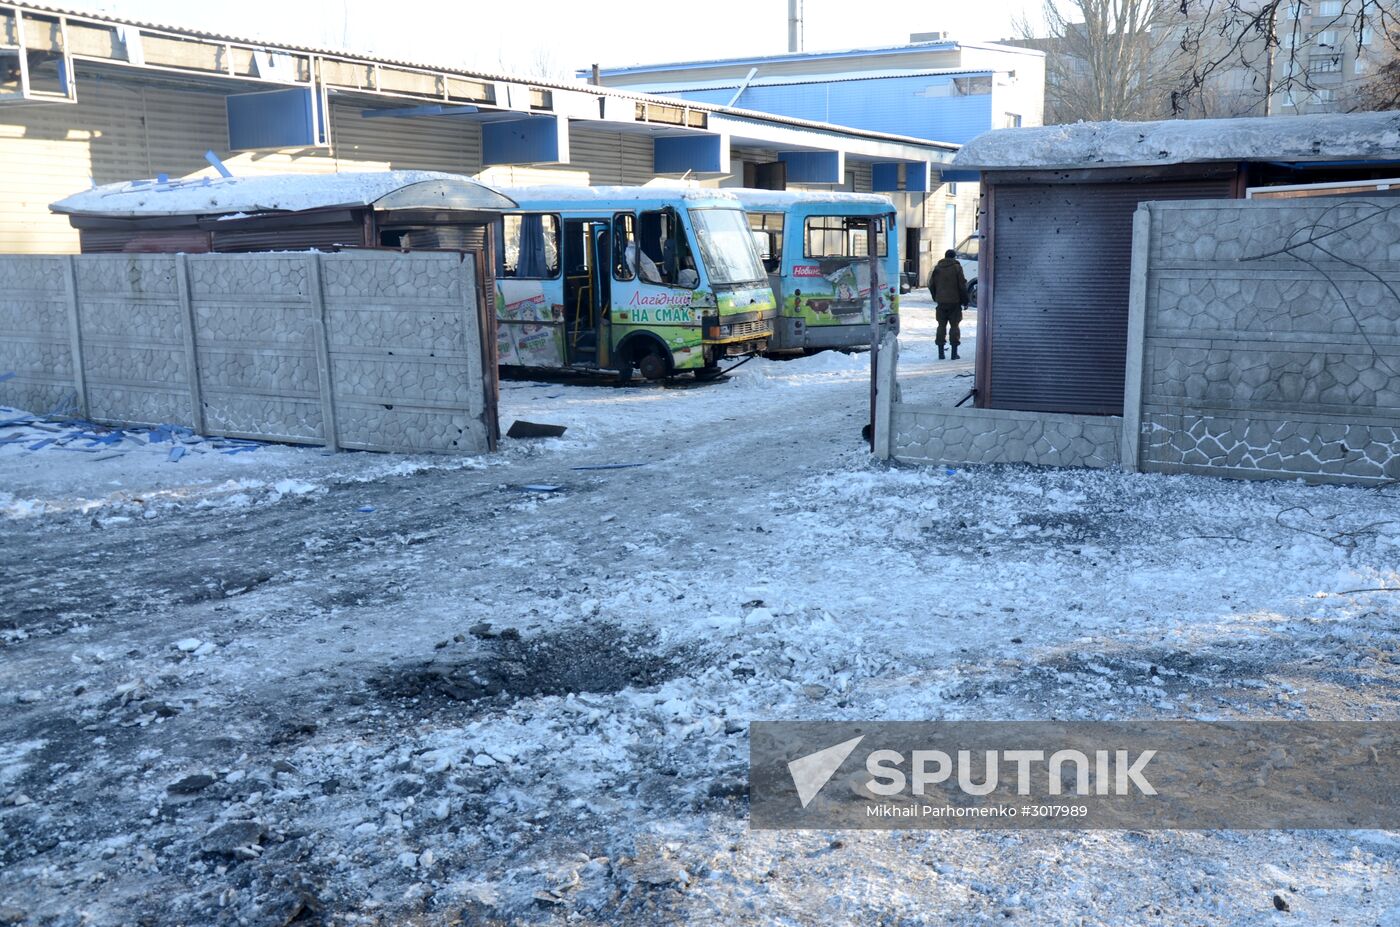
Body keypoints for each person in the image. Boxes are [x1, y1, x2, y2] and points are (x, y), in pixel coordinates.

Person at [928, 248, 968, 360]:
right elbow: (962, 286)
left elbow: (931, 285)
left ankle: (941, 353)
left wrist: (936, 297)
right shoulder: (957, 268)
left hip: (941, 302)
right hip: (954, 302)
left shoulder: (937, 268)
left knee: (941, 326)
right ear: (954, 257)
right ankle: (954, 353)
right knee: (954, 326)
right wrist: (965, 301)